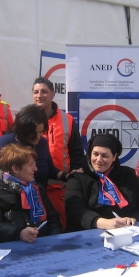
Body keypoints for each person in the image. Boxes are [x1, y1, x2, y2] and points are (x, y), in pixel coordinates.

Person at [65, 134, 139, 232]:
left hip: (127, 232)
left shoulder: (128, 175)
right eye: (95, 154)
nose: (99, 160)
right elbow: (74, 210)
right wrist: (103, 223)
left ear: (114, 157)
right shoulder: (78, 178)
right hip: (87, 235)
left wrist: (132, 220)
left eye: (105, 156)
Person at [0, 144, 62, 243]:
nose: (35, 169)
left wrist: (53, 242)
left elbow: (53, 219)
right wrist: (19, 233)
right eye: (31, 164)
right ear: (16, 169)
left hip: (43, 246)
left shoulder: (36, 187)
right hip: (11, 251)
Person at [32, 76, 84, 230]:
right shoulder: (26, 119)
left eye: (44, 92)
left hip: (59, 188)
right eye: (35, 92)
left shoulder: (66, 120)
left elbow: (76, 151)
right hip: (33, 186)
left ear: (53, 94)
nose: (39, 95)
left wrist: (76, 175)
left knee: (60, 228)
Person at [0, 104, 66, 193]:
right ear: (23, 130)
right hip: (13, 201)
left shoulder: (42, 142)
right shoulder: (5, 142)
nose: (38, 137)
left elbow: (50, 169)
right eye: (33, 133)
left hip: (38, 200)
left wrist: (66, 176)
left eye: (41, 132)